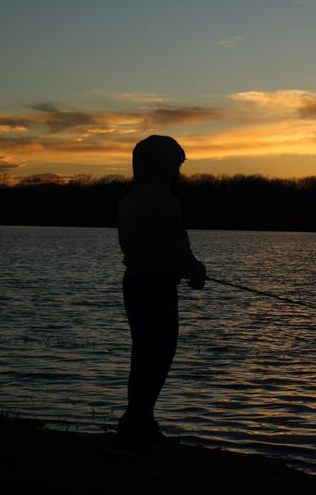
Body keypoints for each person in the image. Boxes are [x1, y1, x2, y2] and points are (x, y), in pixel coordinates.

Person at [115, 135, 207, 448]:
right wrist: (195, 272)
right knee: (158, 354)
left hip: (134, 283)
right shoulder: (166, 204)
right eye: (176, 167)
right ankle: (139, 422)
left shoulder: (129, 201)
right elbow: (177, 252)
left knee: (143, 353)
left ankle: (137, 420)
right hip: (156, 287)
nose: (178, 174)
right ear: (162, 167)